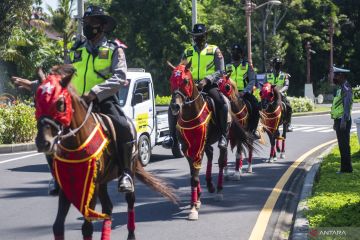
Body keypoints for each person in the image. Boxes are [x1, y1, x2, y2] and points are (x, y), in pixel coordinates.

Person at [12, 5, 135, 193]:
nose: (87, 26)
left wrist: (95, 92)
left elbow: (119, 77)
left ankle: (126, 173)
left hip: (102, 101)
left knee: (123, 126)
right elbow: (60, 80)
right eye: (85, 22)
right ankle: (57, 176)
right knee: (50, 129)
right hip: (75, 103)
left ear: (102, 26)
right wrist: (33, 85)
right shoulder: (77, 49)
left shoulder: (114, 49)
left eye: (92, 22)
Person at [163, 23, 228, 150]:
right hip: (189, 86)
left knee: (222, 103)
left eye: (201, 36)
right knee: (173, 105)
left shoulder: (215, 50)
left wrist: (206, 80)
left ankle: (223, 136)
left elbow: (221, 71)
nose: (198, 39)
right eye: (196, 36)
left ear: (206, 36)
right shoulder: (188, 52)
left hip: (209, 85)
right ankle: (172, 137)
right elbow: (181, 70)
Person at [225, 43, 260, 138]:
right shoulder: (227, 66)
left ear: (241, 54)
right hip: (229, 93)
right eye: (233, 52)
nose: (235, 53)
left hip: (244, 93)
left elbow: (252, 80)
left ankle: (254, 130)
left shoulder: (247, 66)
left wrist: (244, 91)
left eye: (238, 52)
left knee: (256, 106)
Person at [331, 66, 353, 174]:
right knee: (342, 145)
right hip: (339, 121)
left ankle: (346, 169)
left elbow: (347, 106)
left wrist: (343, 121)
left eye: (336, 75)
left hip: (344, 121)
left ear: (342, 76)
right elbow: (337, 107)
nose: (334, 77)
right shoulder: (340, 88)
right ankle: (345, 168)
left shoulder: (346, 88)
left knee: (344, 145)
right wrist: (335, 122)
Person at [265, 57, 293, 132]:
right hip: (270, 95)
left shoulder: (285, 75)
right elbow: (265, 85)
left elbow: (286, 86)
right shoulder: (268, 75)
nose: (277, 65)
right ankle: (263, 123)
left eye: (279, 64)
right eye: (276, 64)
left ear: (281, 65)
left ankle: (288, 124)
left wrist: (280, 91)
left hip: (281, 95)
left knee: (289, 107)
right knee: (261, 105)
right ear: (273, 65)